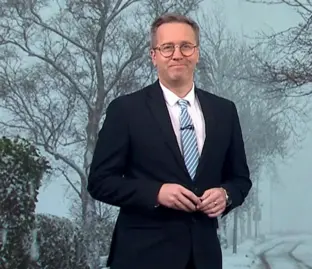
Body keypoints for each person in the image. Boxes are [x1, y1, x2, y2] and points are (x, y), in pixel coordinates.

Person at [87, 13, 252, 269]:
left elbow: (240, 179)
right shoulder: (125, 110)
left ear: (197, 53)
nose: (177, 54)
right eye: (167, 47)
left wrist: (227, 195)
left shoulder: (224, 111)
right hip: (141, 257)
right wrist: (156, 193)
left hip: (204, 258)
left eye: (186, 46)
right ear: (154, 56)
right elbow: (99, 182)